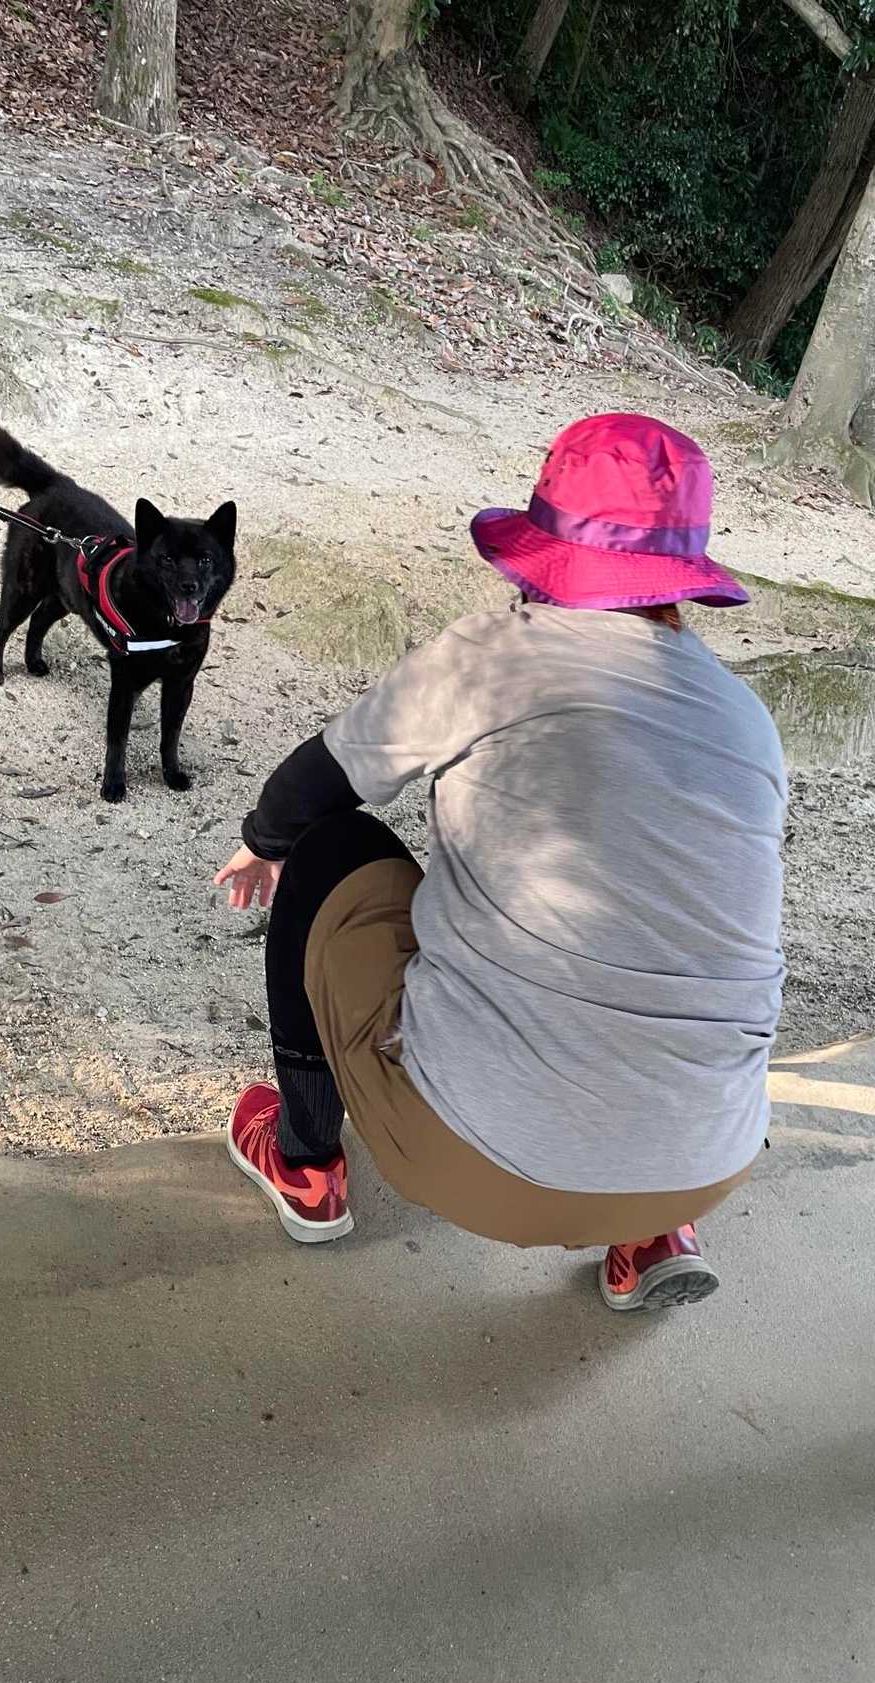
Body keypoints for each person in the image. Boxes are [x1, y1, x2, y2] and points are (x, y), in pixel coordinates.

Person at [214, 414, 787, 1312]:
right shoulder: (744, 720)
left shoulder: (495, 656)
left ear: (541, 552)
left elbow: (314, 785)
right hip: (708, 1163)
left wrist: (263, 840)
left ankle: (305, 1162)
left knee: (329, 848)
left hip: (480, 1164)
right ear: (682, 576)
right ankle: (650, 1230)